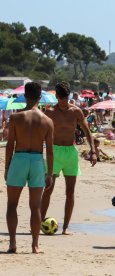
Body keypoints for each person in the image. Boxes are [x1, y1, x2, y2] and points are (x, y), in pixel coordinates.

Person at [41, 82, 97, 235]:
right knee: (48, 188)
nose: (64, 101)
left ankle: (65, 227)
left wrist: (93, 150)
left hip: (71, 153)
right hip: (55, 152)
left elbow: (87, 131)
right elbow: (40, 131)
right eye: (62, 98)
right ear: (57, 97)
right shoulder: (50, 112)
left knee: (70, 191)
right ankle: (40, 222)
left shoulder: (76, 112)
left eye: (66, 98)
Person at [4, 82, 54, 253]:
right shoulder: (47, 121)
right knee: (35, 207)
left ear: (25, 96)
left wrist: (6, 167)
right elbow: (51, 151)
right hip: (37, 161)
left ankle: (12, 243)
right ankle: (35, 245)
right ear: (40, 97)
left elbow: (10, 145)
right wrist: (50, 173)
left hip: (19, 158)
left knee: (12, 204)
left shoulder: (16, 118)